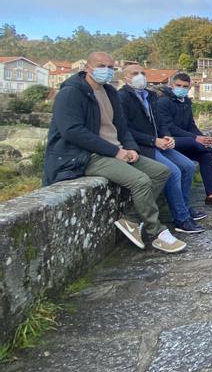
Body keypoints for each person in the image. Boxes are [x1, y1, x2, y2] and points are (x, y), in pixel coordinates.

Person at [42, 52, 186, 253]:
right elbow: (72, 131)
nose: (107, 71)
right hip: (86, 155)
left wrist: (131, 148)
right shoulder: (72, 93)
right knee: (141, 181)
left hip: (115, 150)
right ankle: (157, 232)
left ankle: (131, 220)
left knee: (161, 171)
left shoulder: (109, 92)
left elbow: (121, 126)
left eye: (111, 67)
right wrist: (114, 151)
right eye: (102, 66)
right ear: (87, 67)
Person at [118, 64, 205, 234]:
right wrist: (153, 140)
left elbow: (160, 121)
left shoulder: (150, 95)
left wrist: (166, 136)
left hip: (158, 142)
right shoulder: (121, 97)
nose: (140, 76)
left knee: (188, 166)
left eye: (143, 73)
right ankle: (181, 218)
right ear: (125, 77)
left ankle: (184, 208)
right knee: (173, 171)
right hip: (142, 146)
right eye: (135, 73)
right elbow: (125, 129)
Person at [156, 73, 212, 208]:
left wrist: (202, 138)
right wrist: (195, 138)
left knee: (204, 154)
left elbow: (191, 125)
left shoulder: (186, 102)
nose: (181, 88)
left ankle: (211, 195)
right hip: (169, 141)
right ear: (172, 85)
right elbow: (169, 127)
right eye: (178, 85)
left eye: (185, 86)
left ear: (189, 88)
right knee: (192, 142)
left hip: (184, 140)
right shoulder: (163, 102)